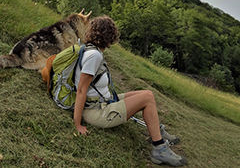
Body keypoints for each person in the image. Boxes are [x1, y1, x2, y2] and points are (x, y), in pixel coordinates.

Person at [72, 16, 187, 167]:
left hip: (103, 103)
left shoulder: (92, 50)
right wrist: (77, 124)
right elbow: (81, 90)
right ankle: (159, 148)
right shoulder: (93, 55)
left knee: (148, 94)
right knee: (146, 98)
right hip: (95, 112)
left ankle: (157, 131)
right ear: (109, 35)